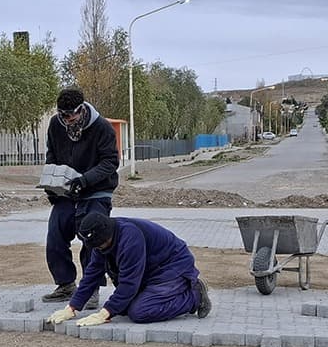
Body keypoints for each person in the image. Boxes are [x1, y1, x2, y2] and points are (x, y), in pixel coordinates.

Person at [46, 212, 211, 327]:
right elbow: (92, 275)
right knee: (122, 307)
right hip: (151, 268)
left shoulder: (130, 238)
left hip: (172, 267)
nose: (98, 248)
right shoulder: (101, 242)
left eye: (99, 245)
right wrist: (72, 307)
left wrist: (104, 314)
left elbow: (129, 283)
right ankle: (175, 294)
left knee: (140, 311)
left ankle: (194, 296)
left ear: (107, 236)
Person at [42, 86, 119, 305]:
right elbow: (52, 154)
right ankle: (65, 285)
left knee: (91, 237)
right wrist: (51, 184)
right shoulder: (55, 125)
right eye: (63, 115)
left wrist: (85, 180)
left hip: (96, 190)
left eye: (71, 115)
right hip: (67, 191)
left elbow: (110, 162)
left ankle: (91, 288)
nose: (67, 120)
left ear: (81, 109)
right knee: (55, 235)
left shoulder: (102, 127)